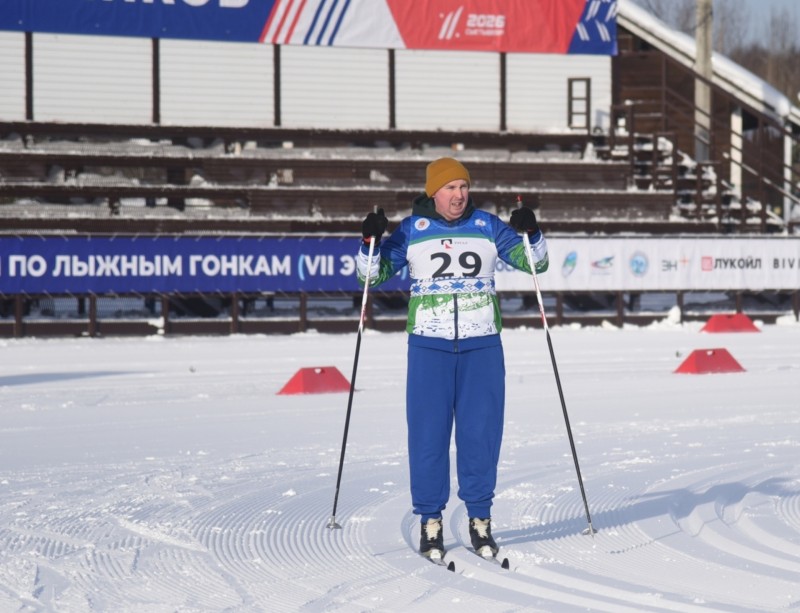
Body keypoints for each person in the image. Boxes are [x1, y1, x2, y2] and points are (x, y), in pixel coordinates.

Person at [356, 157, 548, 560]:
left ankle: (480, 521)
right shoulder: (412, 230)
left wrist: (532, 231)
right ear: (433, 192)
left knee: (481, 435)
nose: (459, 195)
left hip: (482, 347)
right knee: (428, 437)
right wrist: (369, 241)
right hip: (430, 347)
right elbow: (370, 277)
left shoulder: (488, 225)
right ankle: (431, 521)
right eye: (450, 188)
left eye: (463, 186)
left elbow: (537, 263)